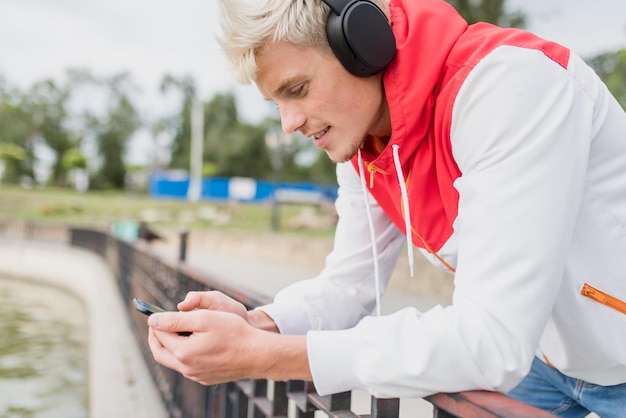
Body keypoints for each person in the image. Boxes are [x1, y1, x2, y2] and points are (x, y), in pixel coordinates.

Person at [146, 0, 626, 416]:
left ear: (362, 45)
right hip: (541, 362)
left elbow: (490, 341)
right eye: (275, 102)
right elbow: (349, 284)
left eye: (296, 89)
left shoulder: (509, 85)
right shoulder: (363, 147)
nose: (289, 123)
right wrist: (260, 324)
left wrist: (266, 357)